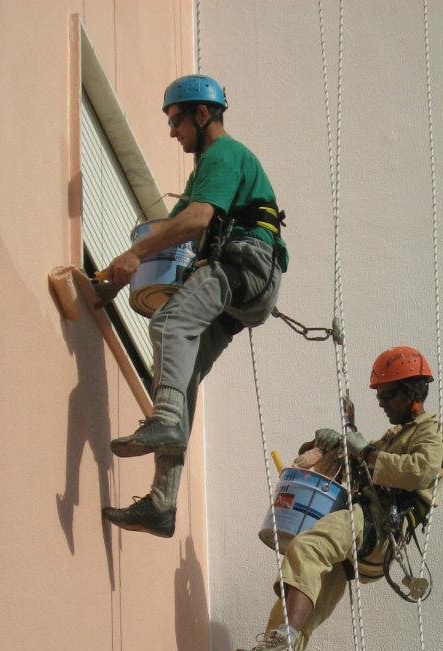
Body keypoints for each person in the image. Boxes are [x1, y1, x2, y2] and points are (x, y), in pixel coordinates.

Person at [182, 346, 443, 651]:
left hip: (379, 522)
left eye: (387, 396)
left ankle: (282, 644)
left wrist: (363, 449)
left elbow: (418, 471)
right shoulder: (395, 436)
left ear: (412, 391)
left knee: (307, 549)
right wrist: (336, 448)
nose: (381, 404)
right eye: (378, 397)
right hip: (362, 536)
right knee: (295, 614)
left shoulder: (432, 432)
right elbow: (365, 463)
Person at [100, 74, 288, 538]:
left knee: (168, 324)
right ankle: (162, 504)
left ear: (203, 114)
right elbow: (173, 227)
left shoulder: (224, 155)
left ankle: (163, 421)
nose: (172, 132)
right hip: (248, 286)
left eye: (176, 119)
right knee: (182, 374)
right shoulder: (206, 170)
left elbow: (197, 220)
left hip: (243, 264)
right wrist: (113, 279)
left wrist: (134, 255)